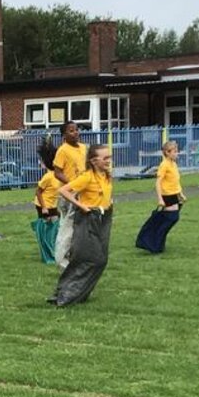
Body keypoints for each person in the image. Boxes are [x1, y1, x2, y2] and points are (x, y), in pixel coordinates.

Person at [52, 143, 114, 306]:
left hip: (103, 217)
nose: (108, 160)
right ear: (93, 161)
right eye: (105, 158)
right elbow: (63, 191)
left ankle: (78, 293)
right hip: (89, 218)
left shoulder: (106, 175)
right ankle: (66, 294)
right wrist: (81, 206)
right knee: (89, 259)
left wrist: (109, 202)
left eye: (109, 157)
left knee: (100, 260)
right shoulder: (87, 177)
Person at [135, 140, 185, 253]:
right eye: (174, 151)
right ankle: (152, 241)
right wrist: (160, 199)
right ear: (167, 152)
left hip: (174, 194)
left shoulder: (173, 164)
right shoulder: (164, 165)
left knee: (168, 219)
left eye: (177, 151)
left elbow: (175, 181)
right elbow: (158, 183)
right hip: (167, 194)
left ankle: (157, 243)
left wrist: (180, 194)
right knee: (171, 218)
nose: (177, 153)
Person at [49, 121, 86, 268]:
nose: (75, 132)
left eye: (76, 129)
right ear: (64, 135)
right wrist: (72, 183)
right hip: (69, 193)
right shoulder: (63, 150)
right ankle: (62, 260)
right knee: (68, 226)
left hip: (83, 191)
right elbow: (57, 173)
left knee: (81, 227)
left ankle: (76, 256)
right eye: (71, 130)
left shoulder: (83, 147)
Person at [31, 139, 60, 264]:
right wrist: (43, 208)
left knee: (55, 226)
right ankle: (48, 253)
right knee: (49, 226)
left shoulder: (59, 175)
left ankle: (53, 248)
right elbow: (38, 192)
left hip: (53, 205)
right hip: (44, 205)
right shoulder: (48, 177)